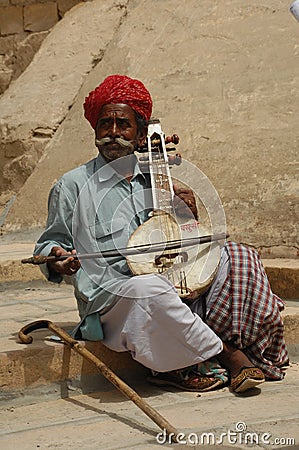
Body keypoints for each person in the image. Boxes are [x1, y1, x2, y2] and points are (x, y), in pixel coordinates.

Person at [35, 74, 289, 394]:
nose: (113, 133)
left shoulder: (155, 179)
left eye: (123, 125)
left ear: (141, 134)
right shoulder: (71, 185)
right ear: (96, 130)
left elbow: (181, 245)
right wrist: (57, 259)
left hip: (170, 291)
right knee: (148, 288)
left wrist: (187, 212)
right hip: (110, 307)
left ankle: (227, 352)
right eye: (105, 124)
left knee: (237, 256)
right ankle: (227, 354)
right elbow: (50, 243)